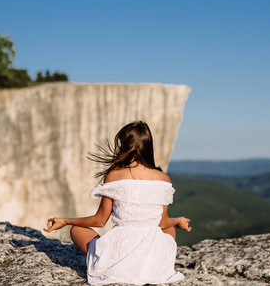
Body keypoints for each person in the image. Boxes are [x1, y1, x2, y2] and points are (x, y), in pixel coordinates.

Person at [44, 120, 192, 285]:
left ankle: (104, 264)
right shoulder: (163, 179)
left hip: (118, 253)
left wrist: (65, 221)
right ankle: (155, 266)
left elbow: (99, 221)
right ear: (148, 147)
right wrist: (178, 221)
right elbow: (162, 222)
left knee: (77, 229)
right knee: (169, 227)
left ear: (125, 146)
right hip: (153, 263)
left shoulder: (114, 175)